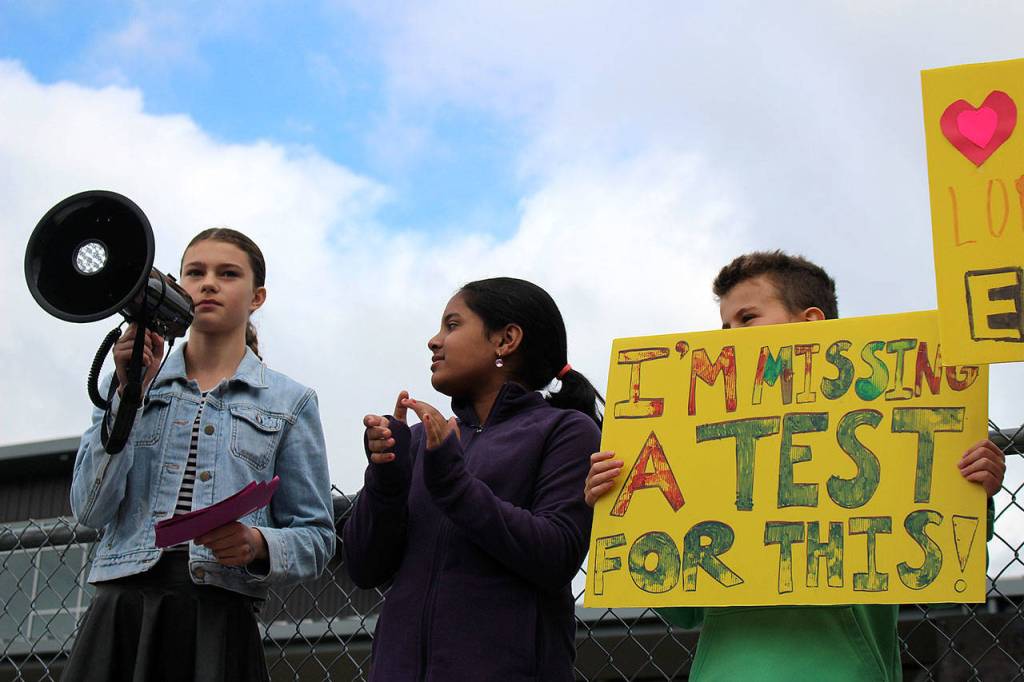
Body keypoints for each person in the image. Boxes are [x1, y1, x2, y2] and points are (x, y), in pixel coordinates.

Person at [585, 251, 1005, 682]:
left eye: (747, 318)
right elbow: (683, 610)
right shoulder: (696, 446)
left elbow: (940, 577)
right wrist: (623, 504)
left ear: (811, 323)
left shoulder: (886, 432)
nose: (730, 336)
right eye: (725, 327)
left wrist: (973, 489)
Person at [63, 228, 335, 682]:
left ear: (257, 297)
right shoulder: (130, 382)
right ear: (178, 286)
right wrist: (131, 392)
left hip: (218, 614)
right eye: (195, 272)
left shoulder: (291, 401)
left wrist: (258, 544)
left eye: (227, 274)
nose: (208, 283)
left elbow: (317, 535)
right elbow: (90, 510)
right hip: (122, 608)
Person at [343, 277, 603, 681]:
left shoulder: (567, 430)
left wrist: (452, 482)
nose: (434, 340)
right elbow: (363, 569)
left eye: (452, 325)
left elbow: (556, 553)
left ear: (506, 340)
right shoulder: (419, 441)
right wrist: (387, 478)